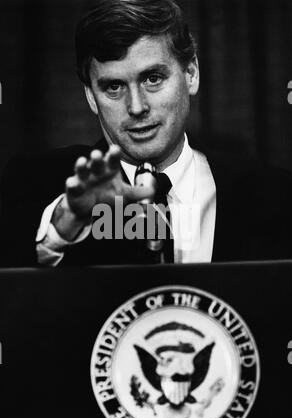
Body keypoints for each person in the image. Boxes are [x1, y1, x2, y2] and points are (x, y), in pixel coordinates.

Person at [0, 0, 292, 267]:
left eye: (153, 79)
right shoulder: (32, 185)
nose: (136, 107)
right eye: (113, 87)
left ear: (191, 74)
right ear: (91, 96)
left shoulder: (272, 194)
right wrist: (67, 222)